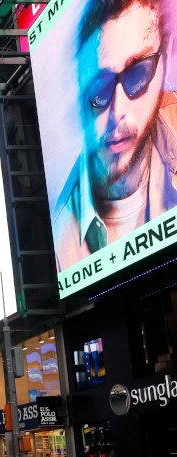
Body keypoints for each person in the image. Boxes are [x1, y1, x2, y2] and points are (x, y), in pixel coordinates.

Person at [51, 0, 177, 270]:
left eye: (138, 73)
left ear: (166, 58)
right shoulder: (63, 238)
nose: (118, 110)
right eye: (100, 88)